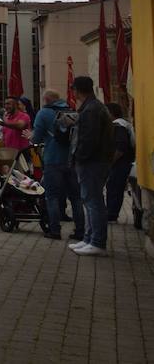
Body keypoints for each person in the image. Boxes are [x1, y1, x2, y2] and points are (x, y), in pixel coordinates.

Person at [69, 76, 114, 256]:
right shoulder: (94, 107)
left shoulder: (90, 110)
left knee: (93, 201)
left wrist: (79, 157)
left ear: (77, 90)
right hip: (97, 160)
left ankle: (97, 241)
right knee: (90, 200)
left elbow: (88, 139)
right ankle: (89, 238)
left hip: (92, 162)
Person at [31, 88, 83, 241]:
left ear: (46, 100)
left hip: (53, 159)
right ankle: (80, 231)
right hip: (72, 160)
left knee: (52, 196)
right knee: (76, 197)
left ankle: (55, 230)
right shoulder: (72, 111)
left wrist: (32, 138)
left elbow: (36, 138)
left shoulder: (44, 113)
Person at [107, 103, 135, 223]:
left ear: (111, 113)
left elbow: (120, 147)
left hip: (120, 163)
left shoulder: (118, 126)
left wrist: (111, 161)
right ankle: (111, 213)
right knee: (114, 187)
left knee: (114, 188)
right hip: (123, 162)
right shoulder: (123, 124)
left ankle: (112, 215)